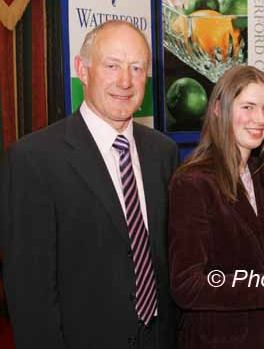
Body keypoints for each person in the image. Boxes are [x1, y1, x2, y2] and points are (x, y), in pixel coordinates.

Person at [1, 20, 178, 348]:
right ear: (82, 70)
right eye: (112, 66)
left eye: (137, 68)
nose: (125, 81)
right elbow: (30, 291)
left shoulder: (163, 152)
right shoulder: (32, 160)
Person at [168, 65, 264, 349]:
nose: (260, 119)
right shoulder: (192, 182)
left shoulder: (261, 175)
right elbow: (188, 285)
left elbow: (259, 256)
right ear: (219, 109)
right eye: (248, 107)